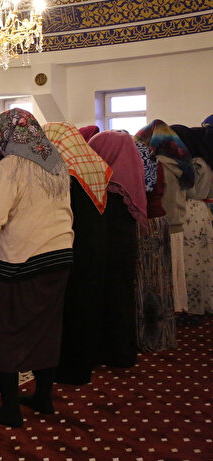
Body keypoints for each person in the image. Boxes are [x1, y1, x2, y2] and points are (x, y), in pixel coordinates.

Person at [0, 109, 73, 428]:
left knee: (5, 330)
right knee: (47, 328)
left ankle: (10, 410)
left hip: (22, 258)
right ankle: (43, 398)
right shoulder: (56, 160)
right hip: (60, 255)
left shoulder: (12, 165)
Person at [43, 122, 112, 384]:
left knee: (74, 306)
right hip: (96, 239)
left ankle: (72, 369)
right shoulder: (91, 161)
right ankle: (87, 358)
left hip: (75, 243)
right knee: (89, 301)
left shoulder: (65, 168)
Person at [87, 130, 145, 368]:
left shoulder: (109, 185)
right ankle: (122, 352)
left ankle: (111, 352)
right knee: (121, 296)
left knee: (111, 296)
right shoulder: (129, 174)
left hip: (109, 249)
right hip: (123, 247)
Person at [136, 120, 195, 315]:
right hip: (178, 221)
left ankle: (167, 310)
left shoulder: (156, 164)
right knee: (176, 270)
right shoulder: (183, 164)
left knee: (162, 272)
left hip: (162, 223)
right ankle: (179, 307)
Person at [132, 140, 176, 351]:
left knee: (145, 281)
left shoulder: (134, 164)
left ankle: (146, 338)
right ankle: (162, 335)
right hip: (160, 221)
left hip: (144, 223)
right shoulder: (154, 162)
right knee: (161, 280)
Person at [171, 125, 213, 315]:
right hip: (202, 212)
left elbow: (190, 191)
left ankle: (190, 306)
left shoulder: (194, 164)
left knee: (190, 260)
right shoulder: (207, 161)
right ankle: (200, 303)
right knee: (203, 259)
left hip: (190, 212)